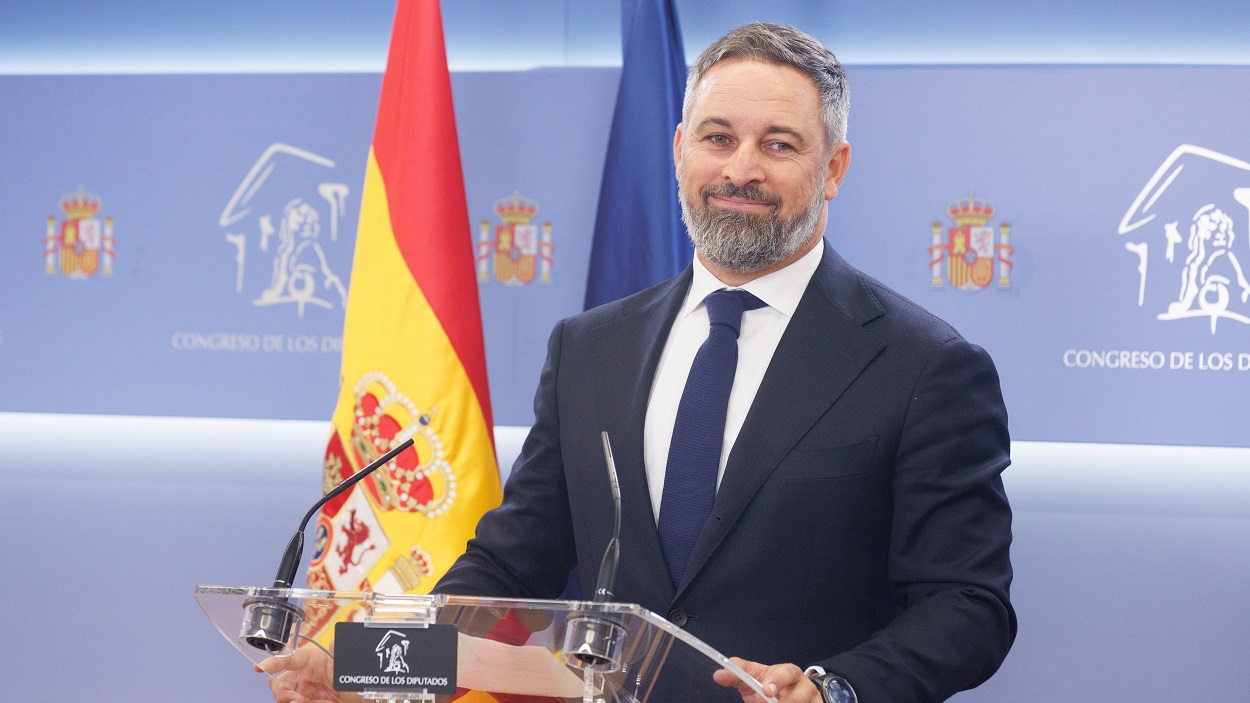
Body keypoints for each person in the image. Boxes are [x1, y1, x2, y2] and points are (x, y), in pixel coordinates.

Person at [264, 22, 1014, 703]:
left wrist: (834, 687)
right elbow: (508, 571)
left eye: (779, 144)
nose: (741, 169)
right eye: (718, 138)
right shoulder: (591, 347)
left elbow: (967, 605)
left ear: (835, 167)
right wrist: (370, 671)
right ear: (680, 147)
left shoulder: (925, 366)